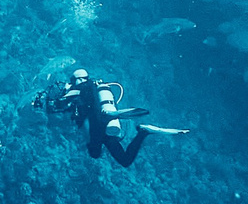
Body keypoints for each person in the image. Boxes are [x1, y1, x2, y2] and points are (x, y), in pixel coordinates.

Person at [38, 64, 185, 167]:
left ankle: (142, 132)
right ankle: (143, 132)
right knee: (125, 161)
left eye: (72, 80)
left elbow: (62, 102)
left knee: (95, 153)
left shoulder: (82, 87)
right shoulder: (93, 88)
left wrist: (48, 101)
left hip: (98, 126)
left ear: (77, 79)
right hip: (105, 126)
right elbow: (70, 108)